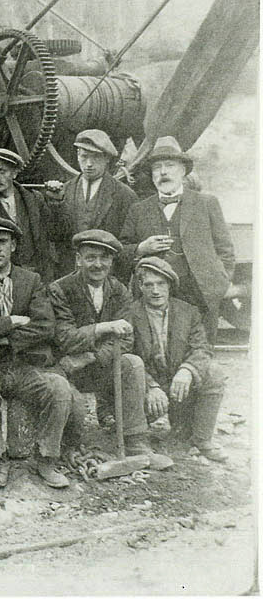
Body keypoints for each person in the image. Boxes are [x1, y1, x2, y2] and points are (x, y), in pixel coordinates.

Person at [0, 217, 73, 489]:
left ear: (13, 246)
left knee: (59, 388)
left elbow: (45, 326)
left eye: (3, 242)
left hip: (25, 365)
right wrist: (12, 321)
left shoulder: (31, 280)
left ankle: (46, 459)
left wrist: (2, 337)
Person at [49, 230, 172, 468]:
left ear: (112, 261)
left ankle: (136, 441)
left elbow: (126, 339)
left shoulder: (119, 290)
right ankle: (68, 447)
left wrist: (91, 356)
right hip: (66, 369)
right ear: (78, 259)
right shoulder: (60, 289)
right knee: (73, 413)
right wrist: (103, 327)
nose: (98, 264)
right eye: (91, 257)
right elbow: (65, 339)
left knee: (132, 363)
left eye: (104, 258)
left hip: (96, 365)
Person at [119, 136, 235, 343]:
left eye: (170, 166)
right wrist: (141, 248)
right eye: (157, 168)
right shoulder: (138, 209)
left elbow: (225, 249)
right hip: (154, 294)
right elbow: (122, 250)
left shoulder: (207, 203)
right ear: (152, 175)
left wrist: (220, 284)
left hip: (200, 294)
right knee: (156, 349)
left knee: (200, 350)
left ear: (183, 171)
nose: (163, 172)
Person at [126, 258, 227, 462]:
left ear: (170, 285)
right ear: (140, 286)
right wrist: (150, 386)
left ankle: (202, 439)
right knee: (131, 429)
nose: (156, 291)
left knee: (214, 372)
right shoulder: (129, 313)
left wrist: (187, 370)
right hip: (142, 391)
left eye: (161, 283)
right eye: (149, 285)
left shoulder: (188, 311)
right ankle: (135, 438)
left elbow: (202, 348)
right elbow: (124, 357)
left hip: (177, 387)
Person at [0, 148, 71, 283]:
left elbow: (58, 234)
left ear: (15, 173)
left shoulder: (35, 199)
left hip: (38, 278)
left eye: (2, 171)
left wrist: (57, 203)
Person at [50, 129, 138, 278]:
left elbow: (127, 244)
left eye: (96, 157)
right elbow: (55, 237)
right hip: (68, 275)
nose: (89, 164)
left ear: (107, 159)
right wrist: (56, 204)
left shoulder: (125, 195)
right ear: (77, 155)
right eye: (84, 157)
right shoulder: (64, 191)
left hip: (107, 275)